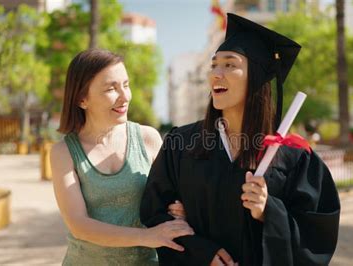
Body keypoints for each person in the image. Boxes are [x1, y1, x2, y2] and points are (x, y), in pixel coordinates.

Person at [140, 13, 340, 266]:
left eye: (229, 64)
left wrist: (269, 211)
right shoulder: (182, 143)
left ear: (256, 76)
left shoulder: (292, 155)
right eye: (213, 65)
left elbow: (317, 234)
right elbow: (154, 212)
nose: (216, 74)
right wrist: (201, 252)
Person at [50, 49, 193, 265]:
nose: (125, 96)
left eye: (126, 85)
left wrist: (181, 208)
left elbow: (174, 196)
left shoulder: (148, 138)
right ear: (82, 99)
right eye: (111, 88)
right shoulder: (63, 152)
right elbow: (79, 225)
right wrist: (149, 237)